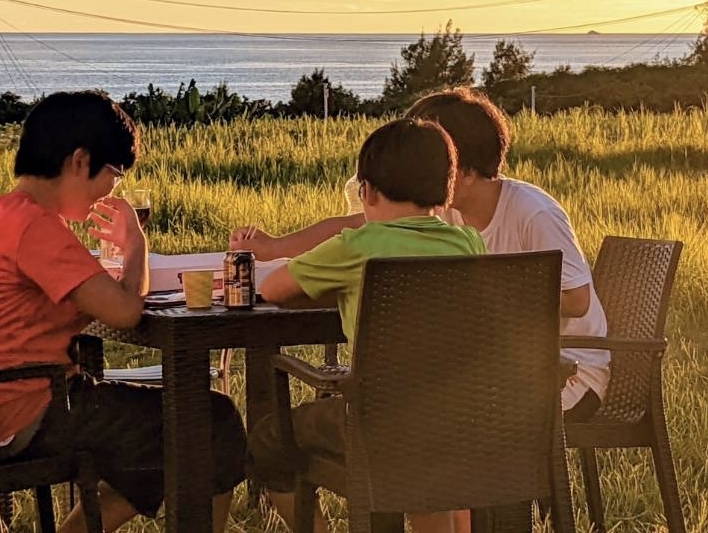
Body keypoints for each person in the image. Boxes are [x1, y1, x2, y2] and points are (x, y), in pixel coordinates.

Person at [0, 91, 245, 533]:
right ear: (80, 161)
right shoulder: (37, 228)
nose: (114, 189)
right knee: (210, 420)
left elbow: (95, 300)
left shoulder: (9, 214)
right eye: (115, 175)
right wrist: (136, 243)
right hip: (26, 411)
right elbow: (124, 311)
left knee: (172, 436)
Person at [231, 88, 609, 420]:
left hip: (563, 374)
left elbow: (576, 301)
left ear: (459, 168)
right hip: (487, 378)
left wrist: (472, 298)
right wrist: (275, 247)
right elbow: (354, 229)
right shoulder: (440, 209)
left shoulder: (533, 212)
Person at [248, 117, 485, 533]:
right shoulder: (468, 243)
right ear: (445, 189)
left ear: (367, 191)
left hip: (382, 425)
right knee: (427, 460)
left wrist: (332, 286)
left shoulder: (357, 246)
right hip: (462, 418)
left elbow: (272, 288)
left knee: (267, 440)